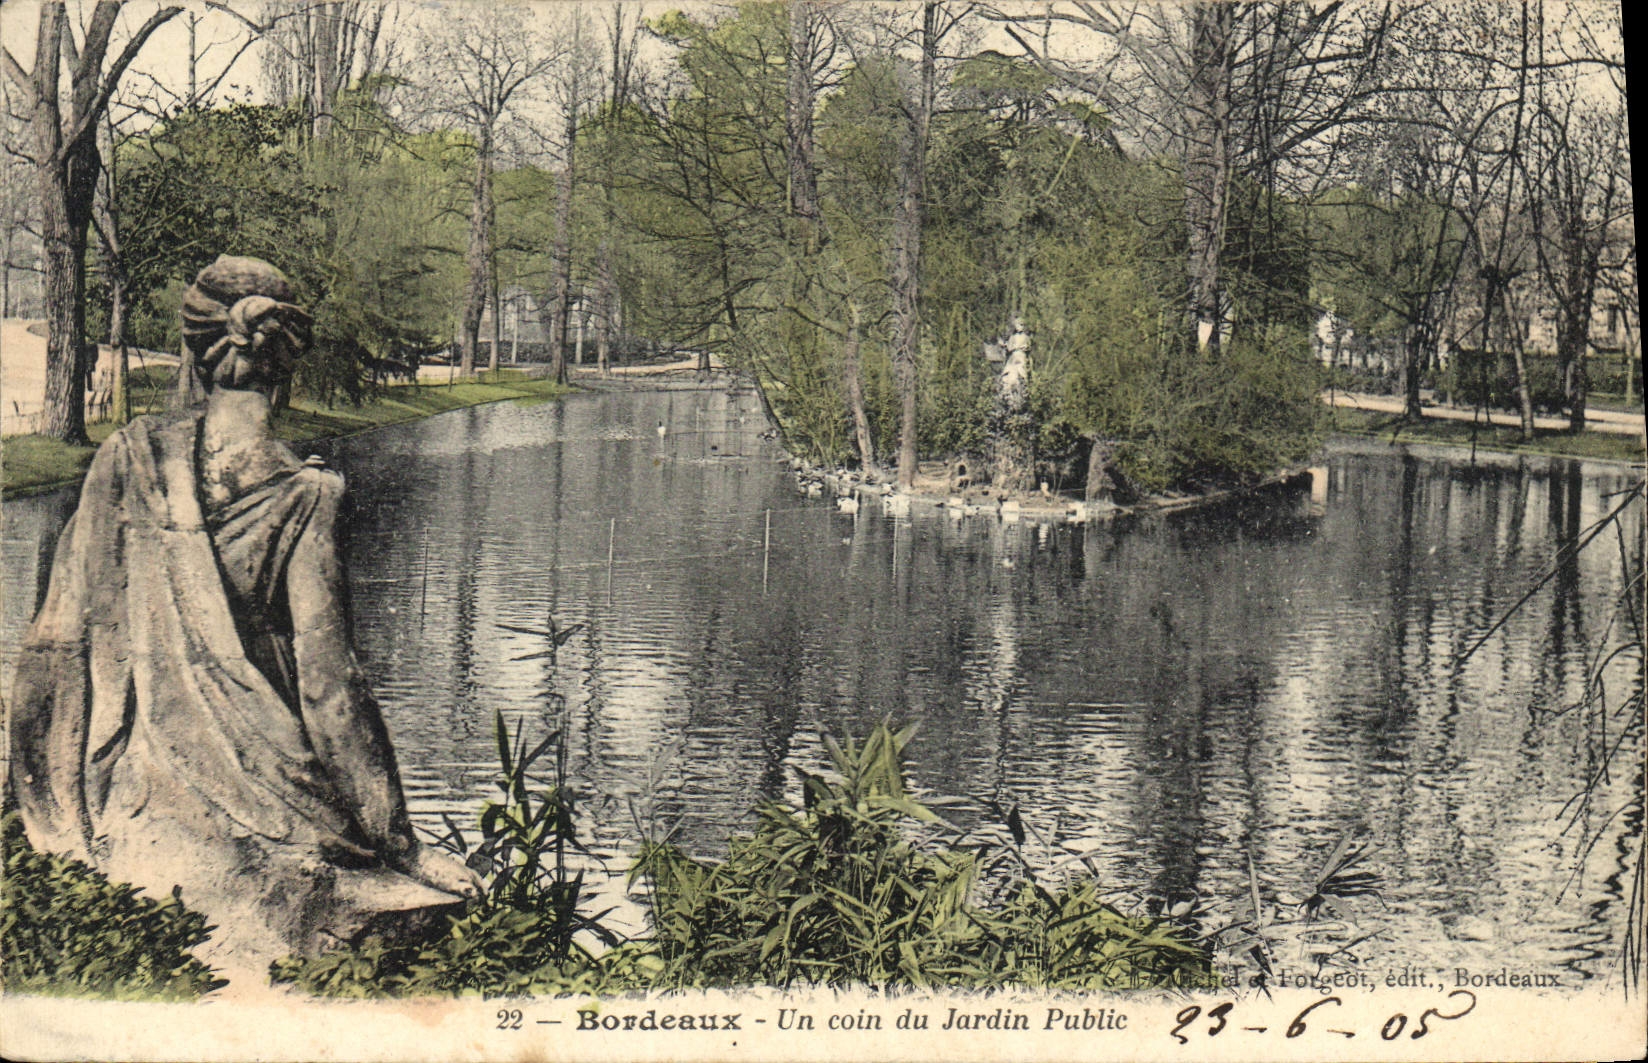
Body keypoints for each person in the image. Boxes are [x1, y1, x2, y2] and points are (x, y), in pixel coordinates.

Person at [8, 255, 477, 970]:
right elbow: (328, 686)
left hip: (131, 791)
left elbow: (54, 641)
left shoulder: (126, 458)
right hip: (268, 792)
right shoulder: (307, 494)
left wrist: (49, 803)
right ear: (286, 363)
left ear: (196, 351)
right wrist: (402, 842)